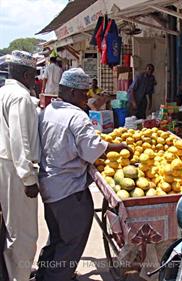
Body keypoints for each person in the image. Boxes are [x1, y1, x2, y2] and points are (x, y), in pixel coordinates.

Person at [35, 68, 132, 281]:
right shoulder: (76, 116)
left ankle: (44, 272)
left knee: (58, 237)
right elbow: (91, 150)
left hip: (49, 186)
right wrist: (118, 146)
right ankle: (56, 277)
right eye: (83, 93)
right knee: (71, 242)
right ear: (70, 92)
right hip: (70, 189)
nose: (86, 98)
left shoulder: (47, 111)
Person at [0, 51, 40, 281]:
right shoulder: (20, 97)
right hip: (14, 168)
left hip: (5, 164)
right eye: (34, 76)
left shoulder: (4, 92)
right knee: (24, 233)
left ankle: (14, 271)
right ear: (26, 74)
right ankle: (20, 276)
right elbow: (20, 139)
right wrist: (29, 179)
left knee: (11, 227)